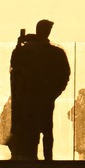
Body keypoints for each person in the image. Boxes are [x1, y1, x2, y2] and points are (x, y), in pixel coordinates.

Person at [9, 20, 71, 159]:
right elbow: (64, 74)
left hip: (32, 97)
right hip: (43, 97)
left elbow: (15, 65)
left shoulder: (27, 51)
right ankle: (46, 159)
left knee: (35, 131)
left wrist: (19, 45)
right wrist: (54, 93)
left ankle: (34, 159)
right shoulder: (56, 52)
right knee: (45, 130)